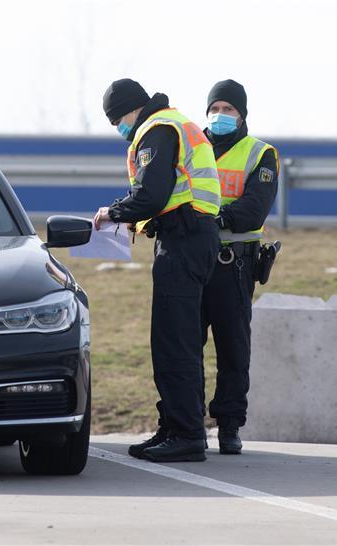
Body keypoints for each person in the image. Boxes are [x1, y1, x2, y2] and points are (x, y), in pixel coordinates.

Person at [93, 78, 221, 462]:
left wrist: (113, 212)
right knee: (177, 339)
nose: (119, 128)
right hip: (188, 237)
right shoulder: (173, 124)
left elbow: (152, 194)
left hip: (184, 241)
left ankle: (185, 434)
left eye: (116, 120)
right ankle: (176, 426)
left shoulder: (156, 130)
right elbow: (171, 193)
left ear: (129, 110)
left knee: (174, 343)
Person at [201, 79, 279, 455]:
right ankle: (183, 422)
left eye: (227, 109)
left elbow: (253, 211)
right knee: (182, 348)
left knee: (233, 348)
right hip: (189, 260)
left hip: (233, 264)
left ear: (242, 114)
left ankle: (229, 426)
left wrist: (207, 217)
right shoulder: (187, 148)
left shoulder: (260, 154)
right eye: (214, 109)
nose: (220, 116)